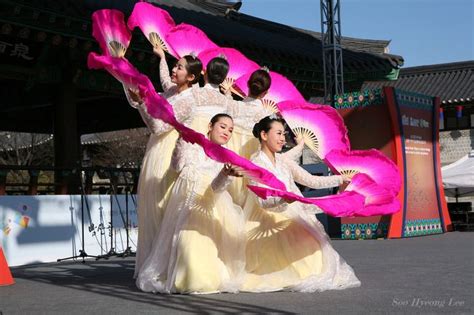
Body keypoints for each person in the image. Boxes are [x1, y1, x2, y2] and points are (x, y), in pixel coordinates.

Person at [241, 115, 361, 292]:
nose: (283, 138)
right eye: (279, 133)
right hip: (267, 219)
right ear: (264, 135)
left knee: (316, 249)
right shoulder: (255, 163)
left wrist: (340, 179)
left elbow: (310, 180)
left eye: (284, 133)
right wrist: (282, 199)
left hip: (293, 211)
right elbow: (262, 201)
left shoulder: (283, 160)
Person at [136, 114, 246, 294]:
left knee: (206, 246)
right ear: (210, 126)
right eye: (223, 127)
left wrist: (225, 174)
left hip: (210, 205)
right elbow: (177, 167)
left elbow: (217, 189)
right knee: (186, 244)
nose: (227, 132)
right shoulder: (192, 143)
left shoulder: (226, 157)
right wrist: (181, 139)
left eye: (231, 130)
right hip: (187, 200)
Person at [124, 47, 203, 279]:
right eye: (175, 65)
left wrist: (142, 104)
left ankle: (166, 267)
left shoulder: (188, 101)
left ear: (191, 77)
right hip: (155, 151)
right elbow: (164, 80)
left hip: (169, 153)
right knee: (151, 206)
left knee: (162, 207)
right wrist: (161, 58)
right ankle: (154, 261)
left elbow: (158, 127)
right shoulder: (174, 91)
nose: (174, 69)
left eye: (179, 67)